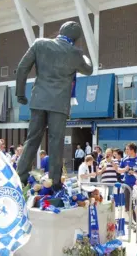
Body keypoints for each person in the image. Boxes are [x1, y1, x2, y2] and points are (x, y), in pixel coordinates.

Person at [15, 21, 93, 192]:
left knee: (32, 139)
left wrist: (20, 93)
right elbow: (89, 69)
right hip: (59, 103)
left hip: (39, 100)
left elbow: (21, 68)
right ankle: (55, 182)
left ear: (60, 31)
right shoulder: (75, 53)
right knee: (56, 142)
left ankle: (20, 178)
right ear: (76, 38)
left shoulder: (40, 44)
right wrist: (85, 56)